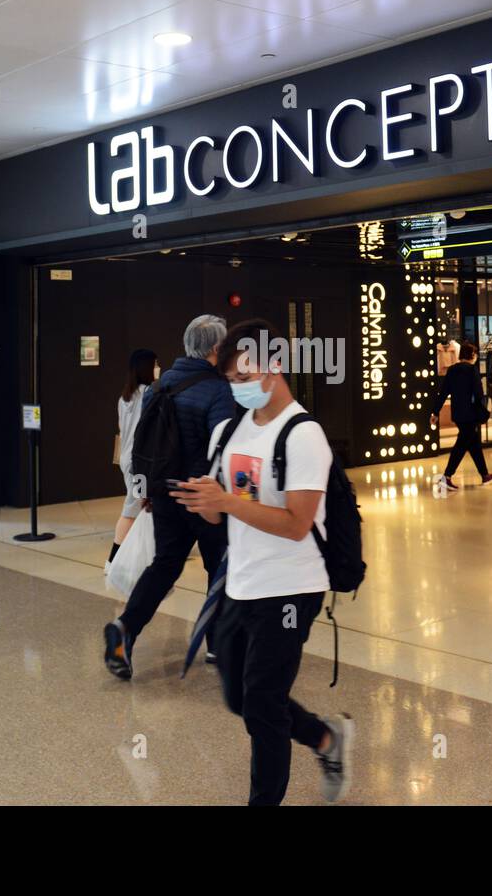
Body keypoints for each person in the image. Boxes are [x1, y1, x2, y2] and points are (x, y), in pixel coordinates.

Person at [171, 319, 353, 806]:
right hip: (240, 583)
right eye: (231, 380)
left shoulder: (303, 435)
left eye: (245, 377)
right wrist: (203, 501)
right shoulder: (229, 431)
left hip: (292, 588)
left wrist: (227, 504)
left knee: (264, 706)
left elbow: (296, 523)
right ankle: (325, 739)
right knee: (239, 698)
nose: (239, 388)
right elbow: (217, 515)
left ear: (275, 367)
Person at [104, 315, 234, 679]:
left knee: (164, 565)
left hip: (163, 494)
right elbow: (222, 448)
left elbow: (145, 444)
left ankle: (125, 628)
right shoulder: (218, 390)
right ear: (215, 349)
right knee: (219, 568)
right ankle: (218, 644)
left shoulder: (162, 385)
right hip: (203, 495)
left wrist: (146, 491)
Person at [108, 348, 157, 568]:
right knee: (132, 509)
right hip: (139, 462)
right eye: (156, 364)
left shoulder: (125, 397)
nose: (159, 368)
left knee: (137, 507)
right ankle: (113, 561)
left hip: (127, 459)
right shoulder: (149, 393)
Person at [427, 341, 492, 490]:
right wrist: (482, 411)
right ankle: (446, 476)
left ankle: (484, 474)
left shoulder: (452, 370)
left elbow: (443, 392)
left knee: (473, 443)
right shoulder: (472, 370)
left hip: (458, 413)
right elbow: (478, 394)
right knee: (462, 444)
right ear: (472, 355)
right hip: (470, 414)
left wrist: (435, 412)